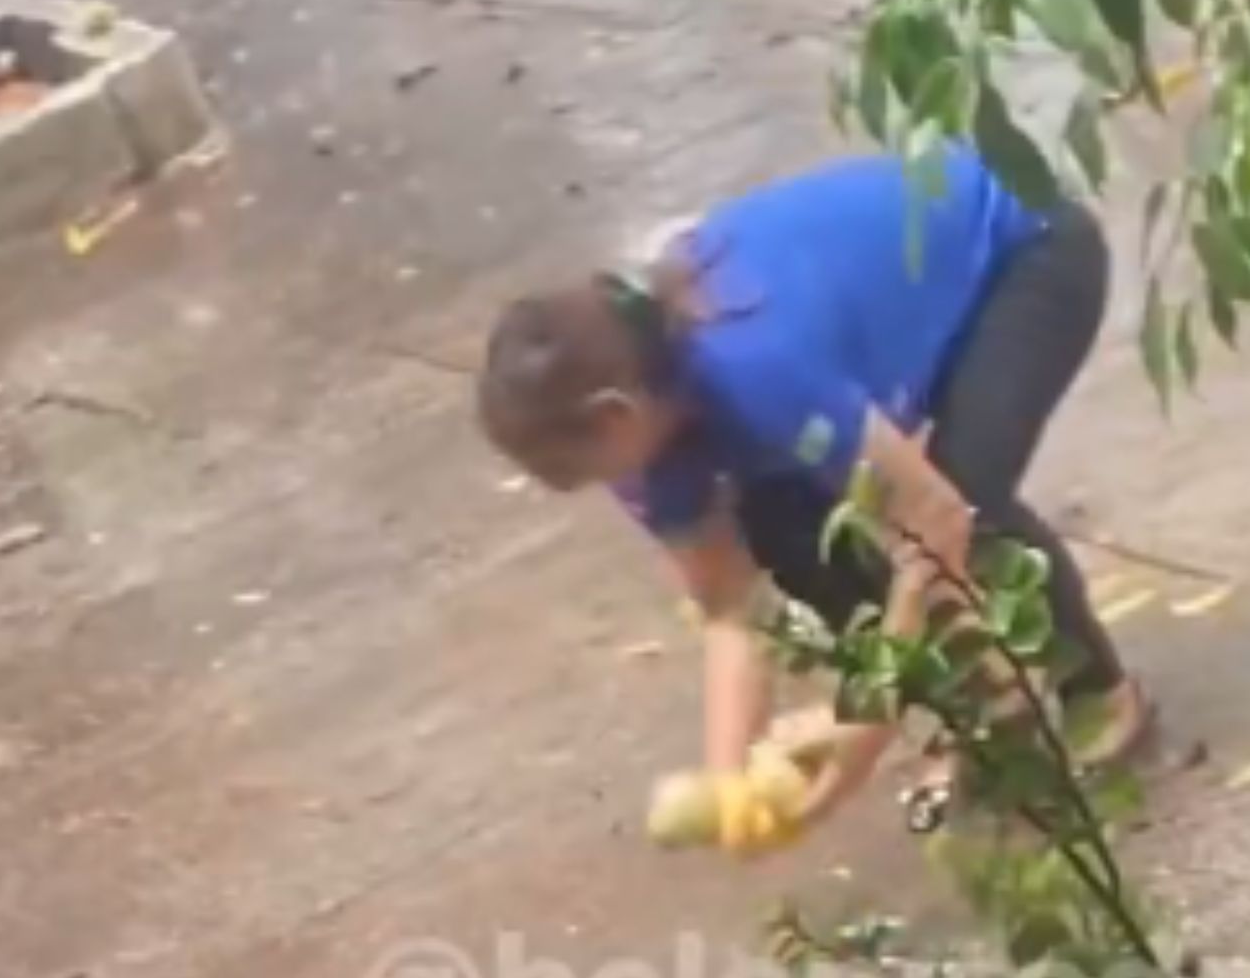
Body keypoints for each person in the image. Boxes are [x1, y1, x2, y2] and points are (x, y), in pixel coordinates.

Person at [476, 145, 1152, 848]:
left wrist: (866, 726)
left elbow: (937, 521)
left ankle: (1100, 696)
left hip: (1024, 252)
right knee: (791, 533)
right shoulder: (646, 438)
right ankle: (992, 716)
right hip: (897, 316)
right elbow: (729, 612)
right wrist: (728, 782)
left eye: (563, 463)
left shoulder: (754, 366)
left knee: (963, 497)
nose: (562, 485)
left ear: (614, 413)